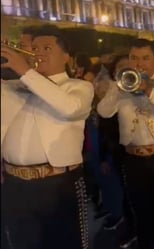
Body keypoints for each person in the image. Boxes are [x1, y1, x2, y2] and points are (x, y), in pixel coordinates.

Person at [1, 24, 94, 249]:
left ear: (66, 57)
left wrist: (26, 72)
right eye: (33, 47)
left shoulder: (78, 87)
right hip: (15, 184)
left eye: (46, 48)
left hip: (58, 185)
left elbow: (70, 108)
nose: (37, 53)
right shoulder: (12, 86)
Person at [97, 38, 154, 249]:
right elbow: (103, 111)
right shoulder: (120, 85)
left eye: (145, 58)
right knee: (142, 215)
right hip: (133, 159)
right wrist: (118, 87)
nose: (139, 63)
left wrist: (149, 90)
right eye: (134, 58)